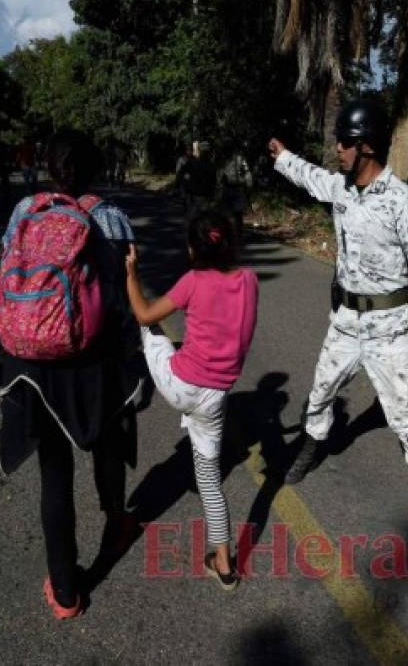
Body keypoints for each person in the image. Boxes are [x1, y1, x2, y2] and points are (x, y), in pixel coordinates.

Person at [268, 100, 408, 532]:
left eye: (344, 142)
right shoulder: (342, 188)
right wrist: (283, 158)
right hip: (345, 320)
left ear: (364, 148)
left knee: (407, 411)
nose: (337, 149)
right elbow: (312, 179)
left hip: (389, 328)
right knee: (321, 389)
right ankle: (311, 446)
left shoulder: (400, 200)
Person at [0, 130, 139, 618]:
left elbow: (11, 277)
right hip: (94, 363)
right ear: (96, 168)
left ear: (51, 168)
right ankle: (116, 522)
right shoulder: (111, 216)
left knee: (53, 472)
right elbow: (124, 295)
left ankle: (65, 591)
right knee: (108, 445)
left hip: (37, 364)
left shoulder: (25, 212)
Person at [125, 209, 258, 590]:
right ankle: (224, 565)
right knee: (210, 480)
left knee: (151, 331)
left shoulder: (192, 281)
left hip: (179, 384)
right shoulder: (250, 280)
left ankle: (126, 386)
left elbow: (144, 311)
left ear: (192, 250)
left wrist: (131, 274)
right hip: (215, 398)